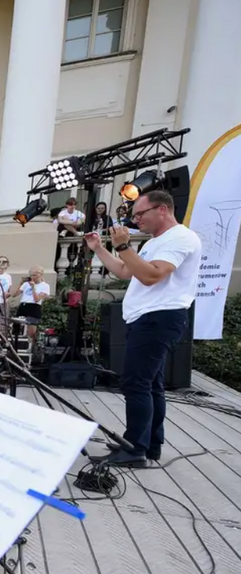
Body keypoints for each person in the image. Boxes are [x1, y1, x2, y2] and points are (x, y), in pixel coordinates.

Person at [86, 191, 201, 466]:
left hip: (159, 318)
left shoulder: (181, 237)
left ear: (162, 209)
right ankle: (150, 445)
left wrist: (124, 246)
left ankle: (135, 448)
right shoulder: (156, 242)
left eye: (140, 214)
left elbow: (151, 276)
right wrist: (100, 249)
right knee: (151, 385)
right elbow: (127, 271)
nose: (136, 220)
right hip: (147, 318)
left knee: (137, 383)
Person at [10, 266, 51, 352]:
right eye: (31, 275)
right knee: (17, 328)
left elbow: (37, 299)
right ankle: (15, 349)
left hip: (34, 307)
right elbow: (14, 295)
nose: (32, 277)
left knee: (31, 332)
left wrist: (33, 288)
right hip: (23, 305)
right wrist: (20, 283)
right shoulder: (26, 284)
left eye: (35, 275)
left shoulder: (45, 286)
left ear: (40, 275)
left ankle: (33, 350)